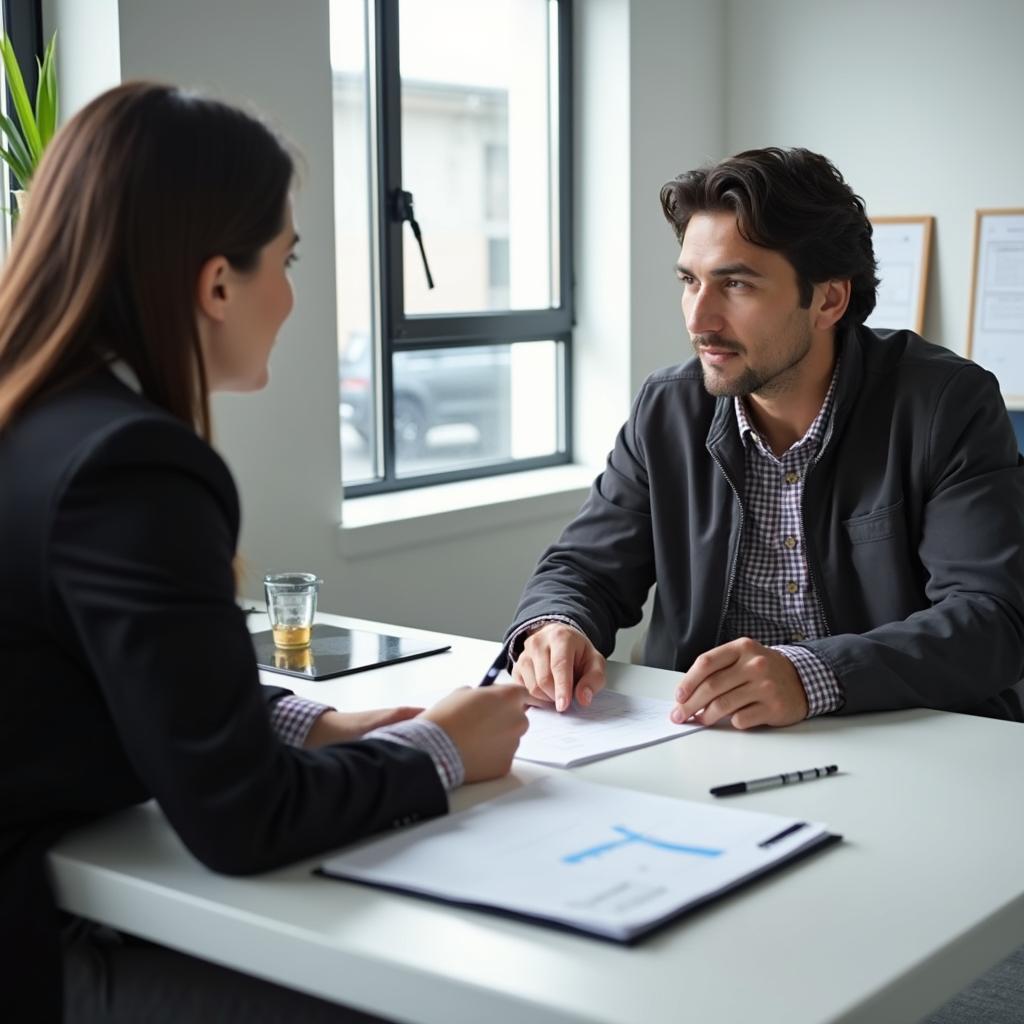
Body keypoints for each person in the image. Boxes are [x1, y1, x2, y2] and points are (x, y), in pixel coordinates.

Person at [0, 82, 530, 1023]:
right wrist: (441, 747)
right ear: (215, 284)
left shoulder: (34, 423)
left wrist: (295, 722)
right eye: (286, 260)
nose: (290, 294)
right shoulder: (130, 466)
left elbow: (87, 669)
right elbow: (244, 821)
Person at [507, 146, 1024, 727]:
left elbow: (991, 618)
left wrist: (810, 674)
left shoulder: (944, 404)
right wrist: (558, 626)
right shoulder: (668, 408)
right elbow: (583, 569)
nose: (698, 318)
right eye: (689, 280)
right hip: (698, 742)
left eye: (737, 285)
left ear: (829, 298)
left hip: (904, 737)